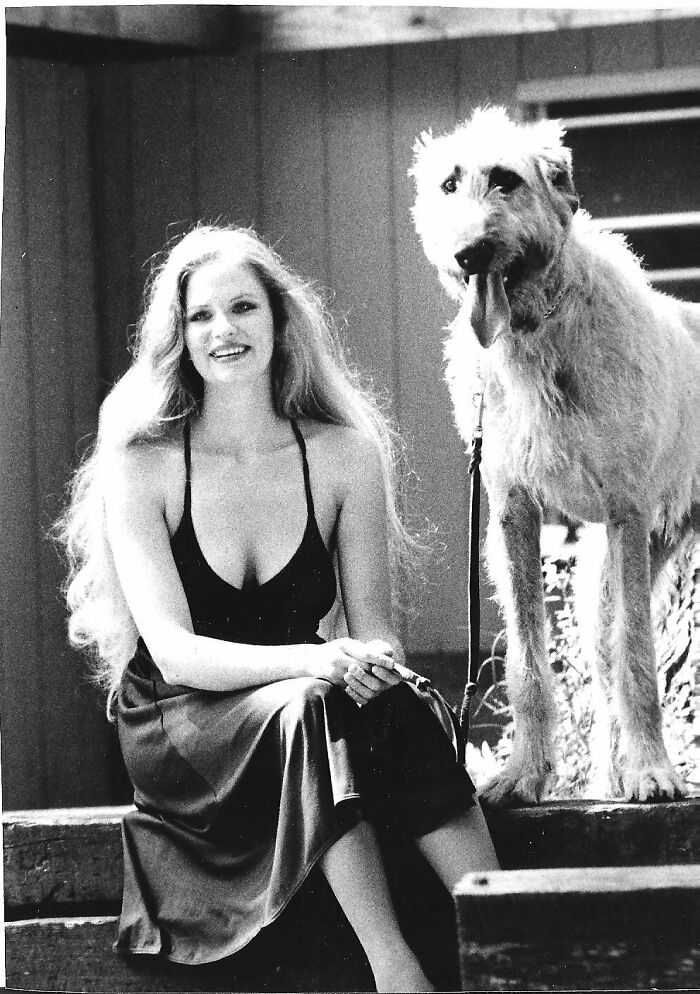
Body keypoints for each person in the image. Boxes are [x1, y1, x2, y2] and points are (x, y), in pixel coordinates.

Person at [57, 224, 499, 993]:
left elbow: (375, 627)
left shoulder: (343, 454)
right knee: (311, 705)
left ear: (280, 320)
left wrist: (371, 666)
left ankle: (510, 939)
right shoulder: (143, 461)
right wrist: (317, 663)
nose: (224, 330)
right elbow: (174, 652)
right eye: (201, 317)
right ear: (179, 337)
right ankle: (396, 970)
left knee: (391, 704)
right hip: (181, 718)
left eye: (243, 308)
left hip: (306, 707)